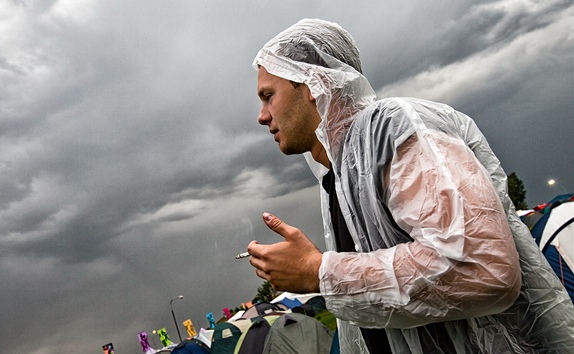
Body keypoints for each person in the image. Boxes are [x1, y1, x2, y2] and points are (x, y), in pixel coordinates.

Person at [246, 19, 574, 354]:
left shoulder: (393, 128)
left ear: (313, 84)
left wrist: (319, 271)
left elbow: (484, 268)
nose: (262, 115)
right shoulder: (339, 178)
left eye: (269, 96)